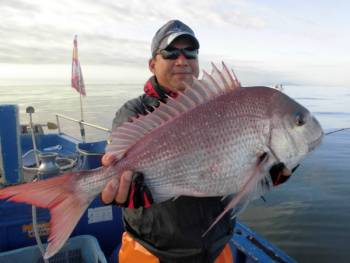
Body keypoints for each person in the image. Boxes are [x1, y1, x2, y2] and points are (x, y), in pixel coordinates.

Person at [101, 20, 235, 263]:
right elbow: (118, 168)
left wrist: (276, 166)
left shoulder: (219, 108)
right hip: (151, 252)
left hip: (216, 248)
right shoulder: (134, 111)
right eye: (171, 52)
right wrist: (127, 189)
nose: (182, 60)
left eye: (190, 53)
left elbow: (246, 169)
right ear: (153, 64)